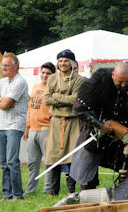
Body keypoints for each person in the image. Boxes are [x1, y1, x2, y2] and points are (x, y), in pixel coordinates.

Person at [69, 62, 128, 191]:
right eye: (120, 82)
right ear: (113, 75)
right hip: (95, 135)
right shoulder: (98, 82)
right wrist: (100, 125)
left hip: (123, 137)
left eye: (127, 82)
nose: (123, 85)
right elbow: (79, 110)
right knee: (87, 179)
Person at [0, 52, 29, 201]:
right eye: (2, 65)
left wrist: (0, 101)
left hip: (15, 124)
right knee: (3, 163)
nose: (3, 67)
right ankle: (7, 194)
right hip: (1, 125)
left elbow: (4, 105)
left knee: (12, 161)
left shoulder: (20, 82)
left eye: (6, 65)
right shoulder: (2, 82)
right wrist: (2, 99)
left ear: (15, 66)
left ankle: (17, 194)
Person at [44, 49, 84, 197]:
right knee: (54, 156)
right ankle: (53, 192)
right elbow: (47, 99)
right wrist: (62, 98)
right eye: (60, 61)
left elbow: (75, 100)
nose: (63, 63)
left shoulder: (78, 79)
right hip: (55, 122)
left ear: (72, 63)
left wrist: (57, 96)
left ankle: (71, 190)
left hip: (72, 122)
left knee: (72, 156)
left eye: (66, 61)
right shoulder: (52, 79)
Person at [23, 62, 55, 195]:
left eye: (48, 73)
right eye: (43, 72)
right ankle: (30, 190)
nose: (45, 75)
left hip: (46, 130)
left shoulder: (54, 90)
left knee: (48, 163)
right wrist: (27, 128)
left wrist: (51, 133)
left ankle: (47, 189)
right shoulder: (35, 87)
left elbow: (54, 113)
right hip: (33, 130)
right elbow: (31, 108)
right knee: (32, 163)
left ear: (53, 75)